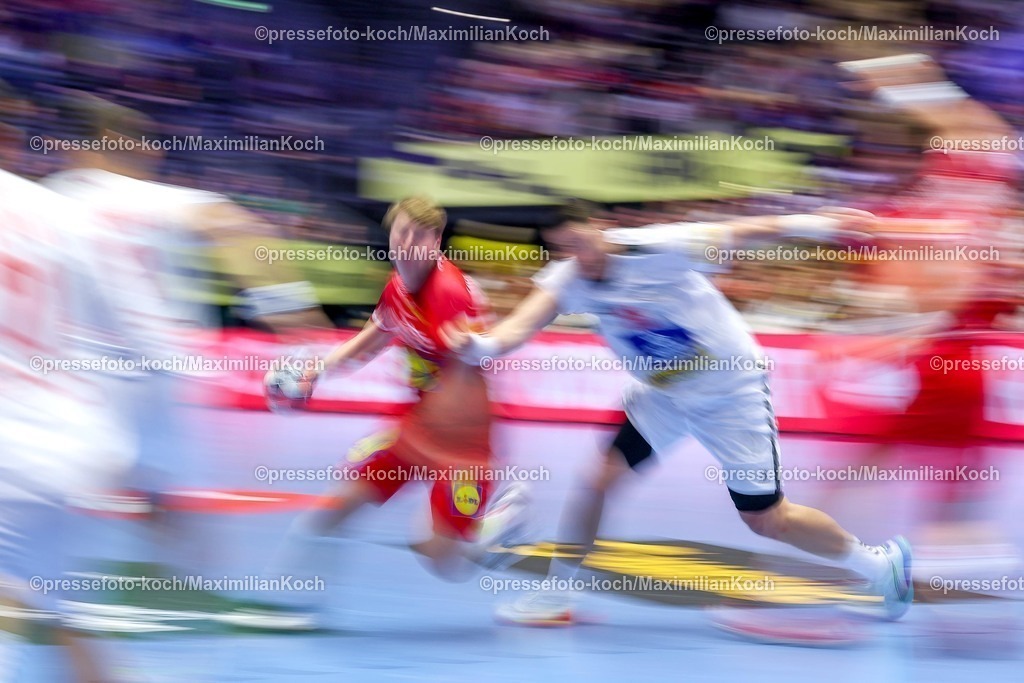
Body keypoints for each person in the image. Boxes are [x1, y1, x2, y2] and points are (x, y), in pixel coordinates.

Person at [441, 200, 913, 625]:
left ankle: (877, 565)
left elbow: (749, 230)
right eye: (566, 249)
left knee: (768, 518)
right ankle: (556, 594)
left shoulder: (661, 248)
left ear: (600, 227)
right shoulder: (568, 280)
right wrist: (478, 345)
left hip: (731, 394)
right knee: (598, 478)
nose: (580, 257)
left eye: (582, 241)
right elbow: (519, 326)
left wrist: (824, 224)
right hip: (663, 398)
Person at [261, 196, 528, 625]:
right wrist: (318, 370)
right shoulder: (398, 285)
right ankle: (290, 606)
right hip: (417, 426)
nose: (407, 243)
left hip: (464, 443)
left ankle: (497, 521)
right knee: (338, 503)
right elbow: (371, 339)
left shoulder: (448, 294)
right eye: (400, 232)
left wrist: (431, 439)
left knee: (443, 559)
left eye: (419, 236)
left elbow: (464, 374)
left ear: (436, 241)